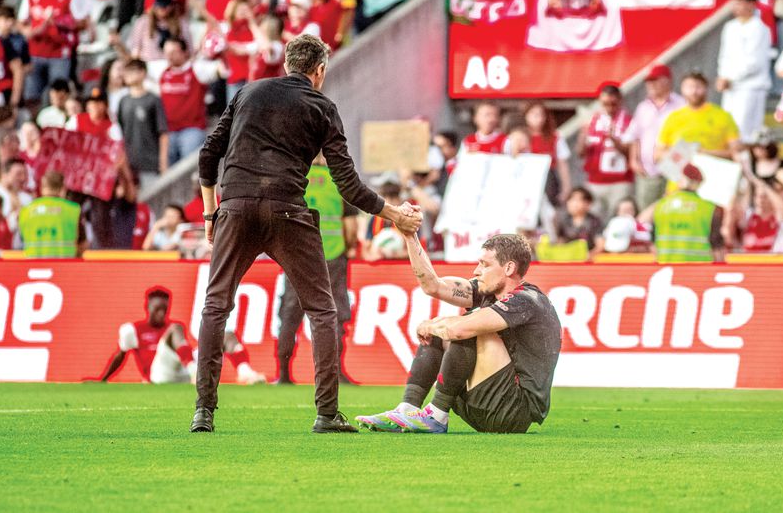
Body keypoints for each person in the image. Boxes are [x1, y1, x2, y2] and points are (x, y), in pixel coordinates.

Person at [192, 34, 422, 434]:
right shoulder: (321, 106)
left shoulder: (248, 93)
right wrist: (393, 215)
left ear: (285, 64)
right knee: (322, 310)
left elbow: (208, 154)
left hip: (236, 206)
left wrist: (211, 214)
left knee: (216, 305)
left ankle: (204, 411)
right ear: (319, 71)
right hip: (287, 210)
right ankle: (327, 413)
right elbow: (348, 184)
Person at [356, 233, 561, 434]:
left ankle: (436, 415)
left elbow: (462, 329)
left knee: (465, 327)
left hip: (514, 412)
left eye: (485, 264)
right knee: (445, 330)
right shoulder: (486, 292)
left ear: (509, 268)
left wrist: (433, 325)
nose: (476, 270)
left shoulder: (527, 299)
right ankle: (407, 410)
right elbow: (433, 285)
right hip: (486, 405)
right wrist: (411, 236)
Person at [276, 154, 359, 385]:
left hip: (296, 256)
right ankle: (336, 374)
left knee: (290, 315)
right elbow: (351, 229)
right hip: (332, 256)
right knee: (334, 314)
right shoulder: (340, 180)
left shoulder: (292, 177)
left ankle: (283, 373)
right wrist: (347, 247)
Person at [93, 287, 197, 383]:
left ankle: (196, 374)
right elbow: (119, 356)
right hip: (157, 376)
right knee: (176, 328)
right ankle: (195, 372)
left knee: (200, 347)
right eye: (157, 309)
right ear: (147, 306)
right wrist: (103, 379)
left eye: (165, 309)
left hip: (180, 373)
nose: (161, 314)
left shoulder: (170, 327)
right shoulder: (134, 330)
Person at [18, 0, 79, 106]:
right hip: (36, 51)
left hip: (60, 52)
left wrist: (59, 22)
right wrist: (29, 31)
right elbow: (21, 22)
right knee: (32, 95)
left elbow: (80, 21)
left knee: (59, 94)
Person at [154, 37, 226, 165]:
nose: (169, 56)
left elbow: (222, 70)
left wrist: (217, 52)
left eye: (173, 52)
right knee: (170, 172)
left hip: (192, 129)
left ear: (184, 52)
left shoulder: (197, 69)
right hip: (169, 130)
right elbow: (136, 65)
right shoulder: (161, 70)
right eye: (166, 53)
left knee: (188, 169)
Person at [716, 0, 772, 145]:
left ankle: (746, 167)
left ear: (752, 4)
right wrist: (723, 76)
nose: (735, 6)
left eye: (740, 2)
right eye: (734, 2)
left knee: (745, 133)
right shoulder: (730, 27)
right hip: (730, 87)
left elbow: (754, 62)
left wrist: (731, 77)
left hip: (751, 87)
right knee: (728, 130)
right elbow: (724, 56)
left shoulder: (759, 29)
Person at [625, 64, 685, 210]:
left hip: (674, 169)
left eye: (655, 80)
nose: (650, 85)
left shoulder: (681, 105)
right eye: (649, 82)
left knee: (672, 209)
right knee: (646, 211)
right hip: (647, 170)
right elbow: (634, 135)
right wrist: (633, 160)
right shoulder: (643, 107)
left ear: (667, 81)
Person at [656, 72, 741, 169]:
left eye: (698, 87)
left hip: (716, 178)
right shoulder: (673, 117)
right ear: (682, 89)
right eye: (689, 87)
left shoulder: (723, 116)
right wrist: (682, 156)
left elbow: (737, 152)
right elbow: (658, 154)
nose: (694, 91)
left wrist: (703, 153)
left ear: (706, 89)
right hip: (680, 182)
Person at [577, 85, 633, 222]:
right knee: (593, 220)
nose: (609, 107)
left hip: (620, 181)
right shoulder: (592, 121)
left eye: (612, 104)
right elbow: (580, 153)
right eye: (605, 104)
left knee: (618, 219)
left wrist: (614, 140)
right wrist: (582, 137)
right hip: (595, 182)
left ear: (620, 100)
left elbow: (631, 152)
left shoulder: (629, 121)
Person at [653, 164, 725, 263]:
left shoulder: (661, 205)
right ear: (699, 184)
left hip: (666, 269)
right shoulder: (710, 208)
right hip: (699, 271)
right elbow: (717, 246)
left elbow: (652, 242)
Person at [117, 59, 169, 189]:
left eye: (131, 71)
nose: (127, 75)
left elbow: (163, 133)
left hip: (151, 163)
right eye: (126, 71)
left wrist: (163, 163)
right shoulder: (123, 101)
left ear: (142, 73)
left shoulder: (153, 100)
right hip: (130, 163)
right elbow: (121, 133)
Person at [19, 171, 86, 258]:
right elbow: (83, 244)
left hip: (33, 268)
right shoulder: (73, 210)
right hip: (65, 267)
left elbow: (20, 242)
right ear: (63, 188)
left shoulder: (26, 211)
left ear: (42, 188)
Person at [516, 101, 572, 205]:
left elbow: (562, 164)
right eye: (534, 114)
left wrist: (566, 187)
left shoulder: (555, 136)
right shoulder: (519, 137)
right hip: (527, 179)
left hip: (548, 179)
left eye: (541, 115)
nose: (539, 118)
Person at [119, 0, 192, 62]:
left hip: (171, 63)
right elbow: (135, 48)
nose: (162, 9)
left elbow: (188, 48)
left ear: (171, 6)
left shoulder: (181, 22)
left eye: (165, 6)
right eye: (160, 6)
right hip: (148, 62)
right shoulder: (143, 21)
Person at [0, 6, 30, 110]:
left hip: (12, 82)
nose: (8, 23)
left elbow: (28, 64)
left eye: (11, 20)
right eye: (5, 19)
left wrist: (18, 70)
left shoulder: (19, 39)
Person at [553, 187, 603, 252]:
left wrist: (588, 256)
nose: (572, 204)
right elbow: (559, 241)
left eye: (576, 200)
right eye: (570, 200)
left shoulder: (594, 221)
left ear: (588, 204)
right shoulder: (563, 219)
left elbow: (600, 245)